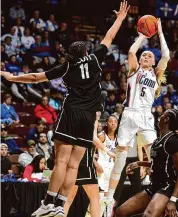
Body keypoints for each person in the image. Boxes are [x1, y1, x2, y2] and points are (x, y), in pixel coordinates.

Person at [0, 2, 130, 216]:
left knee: (61, 160)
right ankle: (60, 207)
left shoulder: (67, 66)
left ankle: (48, 204)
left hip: (71, 113)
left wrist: (10, 77)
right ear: (86, 52)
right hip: (89, 117)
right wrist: (120, 19)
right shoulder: (96, 58)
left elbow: (35, 77)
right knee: (73, 165)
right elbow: (109, 37)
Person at [106, 18, 171, 216]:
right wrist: (142, 36)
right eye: (144, 55)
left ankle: (158, 185)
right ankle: (109, 198)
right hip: (129, 113)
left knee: (156, 153)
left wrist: (159, 32)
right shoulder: (134, 71)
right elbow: (133, 51)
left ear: (153, 62)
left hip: (146, 117)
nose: (145, 56)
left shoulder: (156, 74)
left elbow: (166, 55)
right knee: (121, 156)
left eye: (149, 55)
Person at [115, 109, 178, 217]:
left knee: (148, 215)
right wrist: (139, 163)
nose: (159, 117)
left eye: (162, 115)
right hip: (154, 186)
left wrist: (173, 200)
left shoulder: (173, 141)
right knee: (121, 212)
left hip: (168, 187)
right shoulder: (158, 140)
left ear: (167, 119)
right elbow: (159, 163)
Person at [64, 113, 116, 217]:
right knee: (95, 197)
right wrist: (108, 151)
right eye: (98, 112)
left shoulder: (75, 117)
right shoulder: (91, 119)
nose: (99, 114)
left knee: (69, 197)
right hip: (84, 160)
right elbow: (93, 138)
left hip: (72, 159)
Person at [97, 115, 118, 216]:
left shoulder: (118, 137)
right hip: (101, 167)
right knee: (101, 196)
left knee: (108, 196)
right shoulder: (102, 135)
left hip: (111, 168)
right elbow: (90, 150)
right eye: (111, 121)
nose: (113, 123)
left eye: (115, 121)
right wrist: (95, 164)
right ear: (106, 123)